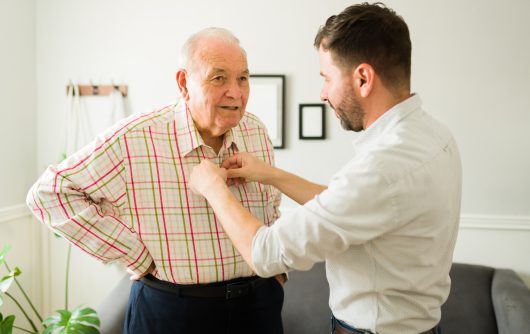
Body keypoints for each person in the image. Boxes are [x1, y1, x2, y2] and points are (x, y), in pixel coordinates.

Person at [189, 3, 462, 334]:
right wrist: (272, 175)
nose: (323, 94)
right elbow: (354, 206)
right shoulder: (433, 135)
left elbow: (266, 254)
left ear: (363, 78)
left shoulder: (382, 168)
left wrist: (213, 188)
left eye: (327, 78)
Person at [26, 27, 286, 334]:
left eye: (243, 77)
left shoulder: (255, 130)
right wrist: (135, 255)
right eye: (219, 78)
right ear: (184, 83)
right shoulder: (134, 138)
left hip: (257, 306)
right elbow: (48, 193)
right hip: (172, 311)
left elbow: (270, 207)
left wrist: (278, 271)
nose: (236, 92)